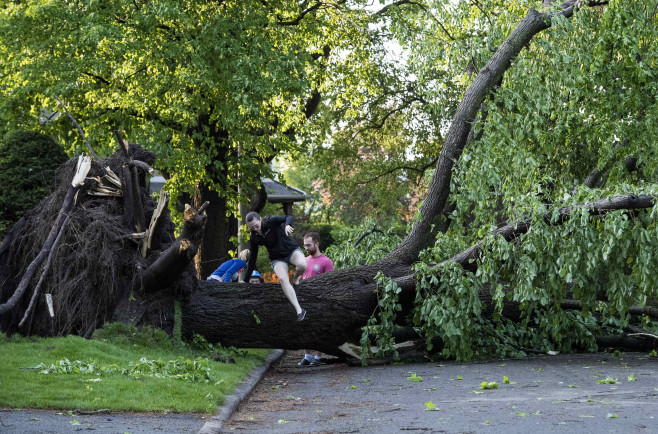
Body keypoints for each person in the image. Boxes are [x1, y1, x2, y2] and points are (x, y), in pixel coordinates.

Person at [242, 211, 307, 321]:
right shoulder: (254, 237)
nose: (255, 229)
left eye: (256, 226)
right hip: (277, 258)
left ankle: (295, 278)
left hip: (291, 250)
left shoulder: (271, 222)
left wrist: (287, 225)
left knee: (302, 265)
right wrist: (245, 279)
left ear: (260, 219)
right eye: (252, 228)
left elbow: (288, 217)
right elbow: (253, 258)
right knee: (282, 278)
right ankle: (299, 310)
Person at [297, 231, 334, 366]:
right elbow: (299, 279)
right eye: (304, 245)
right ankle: (307, 356)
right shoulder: (303, 261)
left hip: (320, 301)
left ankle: (318, 357)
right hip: (305, 300)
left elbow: (331, 282)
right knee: (305, 328)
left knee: (320, 329)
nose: (306, 248)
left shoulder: (326, 262)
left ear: (317, 244)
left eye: (308, 245)